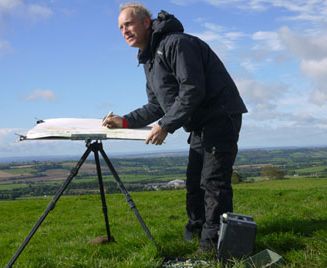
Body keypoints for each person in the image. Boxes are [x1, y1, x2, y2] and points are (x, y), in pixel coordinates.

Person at [104, 2, 247, 253]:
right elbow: (156, 106)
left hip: (221, 116)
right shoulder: (149, 60)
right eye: (120, 28)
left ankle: (213, 248)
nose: (124, 31)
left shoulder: (176, 43)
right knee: (194, 184)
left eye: (128, 24)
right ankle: (195, 238)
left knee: (213, 183)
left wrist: (166, 126)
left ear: (146, 23)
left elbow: (192, 89)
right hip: (201, 124)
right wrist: (124, 121)